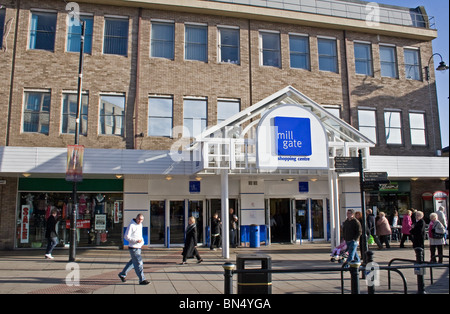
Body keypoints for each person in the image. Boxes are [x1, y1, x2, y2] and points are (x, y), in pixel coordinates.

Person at [118, 214, 150, 285]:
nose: (140, 221)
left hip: (138, 247)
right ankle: (142, 279)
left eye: (141, 220)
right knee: (139, 263)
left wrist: (142, 242)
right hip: (133, 247)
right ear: (136, 218)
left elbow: (140, 235)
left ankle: (122, 274)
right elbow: (126, 236)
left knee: (132, 262)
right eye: (139, 219)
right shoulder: (131, 225)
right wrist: (135, 241)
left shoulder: (140, 225)